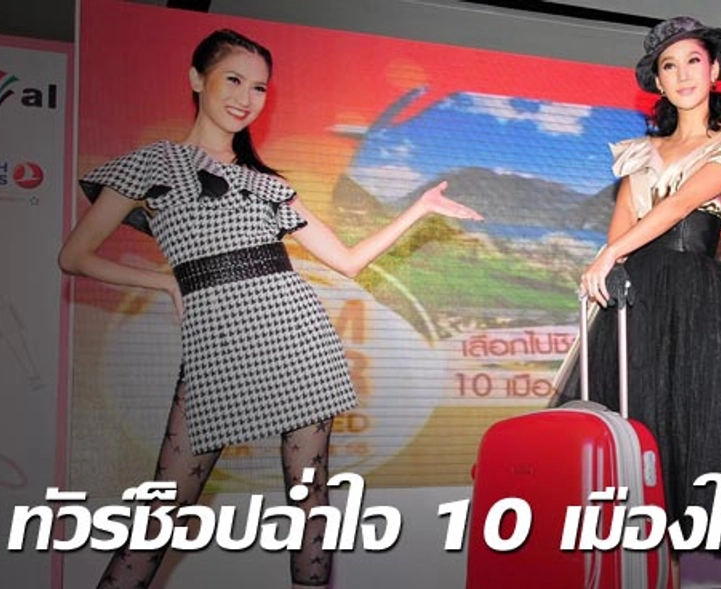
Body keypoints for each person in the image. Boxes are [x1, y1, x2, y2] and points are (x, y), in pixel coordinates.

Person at [59, 29, 481, 589]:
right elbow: (74, 256)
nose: (245, 97)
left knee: (310, 501)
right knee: (163, 515)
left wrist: (419, 208)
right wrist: (163, 282)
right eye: (233, 80)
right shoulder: (152, 164)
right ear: (196, 79)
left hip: (297, 335)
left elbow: (348, 261)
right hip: (216, 343)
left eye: (259, 87)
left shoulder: (266, 184)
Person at [551, 16, 721, 589]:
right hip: (640, 306)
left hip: (703, 304)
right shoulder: (638, 153)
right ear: (658, 80)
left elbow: (677, 207)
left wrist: (611, 253)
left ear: (715, 69)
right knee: (652, 450)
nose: (682, 74)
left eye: (693, 61)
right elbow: (620, 232)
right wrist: (608, 262)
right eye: (669, 66)